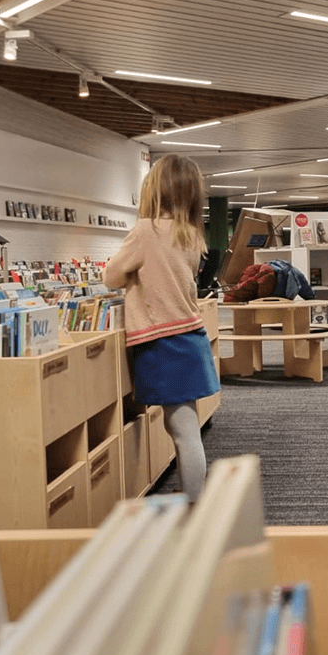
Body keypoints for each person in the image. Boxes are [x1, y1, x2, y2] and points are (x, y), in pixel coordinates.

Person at [103, 154, 220, 504]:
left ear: (154, 190)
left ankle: (195, 505)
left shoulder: (146, 231)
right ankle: (192, 491)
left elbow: (111, 276)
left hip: (163, 340)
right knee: (185, 426)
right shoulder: (191, 235)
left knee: (183, 431)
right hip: (190, 337)